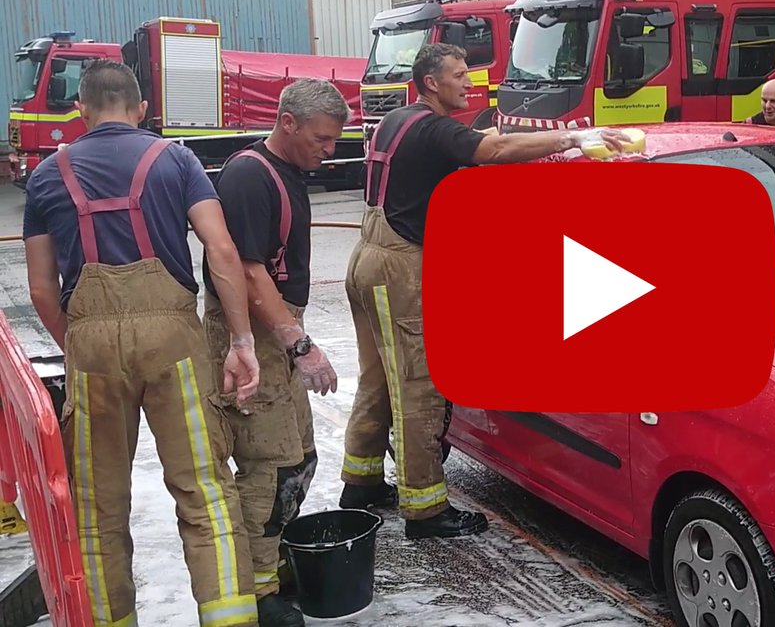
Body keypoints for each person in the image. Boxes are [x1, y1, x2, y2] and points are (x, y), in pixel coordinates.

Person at [338, 42, 627, 537]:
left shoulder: (400, 119)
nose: (469, 84)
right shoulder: (433, 128)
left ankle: (360, 484)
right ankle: (425, 510)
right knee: (417, 387)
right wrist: (573, 138)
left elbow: (479, 139)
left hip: (367, 261)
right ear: (431, 82)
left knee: (378, 378)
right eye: (457, 76)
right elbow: (491, 150)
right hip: (399, 268)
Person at [22, 59, 260, 627]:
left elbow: (40, 287)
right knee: (203, 488)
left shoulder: (47, 176)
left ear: (79, 110)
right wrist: (241, 340)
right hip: (173, 341)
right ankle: (229, 618)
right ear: (142, 110)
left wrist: (78, 343)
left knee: (98, 505)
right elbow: (222, 253)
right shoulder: (174, 158)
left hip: (92, 346)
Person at [200, 77, 346, 626]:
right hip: (255, 330)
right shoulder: (247, 176)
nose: (330, 150)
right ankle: (257, 592)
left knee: (299, 458)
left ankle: (272, 561)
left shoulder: (287, 170)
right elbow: (248, 269)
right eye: (322, 138)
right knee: (269, 464)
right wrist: (299, 344)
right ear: (287, 122)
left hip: (278, 324)